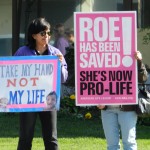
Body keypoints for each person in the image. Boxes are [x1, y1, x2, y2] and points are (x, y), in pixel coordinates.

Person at [14, 17, 68, 150]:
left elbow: (63, 78)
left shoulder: (56, 53)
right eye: (43, 33)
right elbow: (13, 74)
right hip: (28, 100)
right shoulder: (22, 52)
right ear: (34, 35)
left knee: (51, 138)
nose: (47, 36)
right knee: (25, 137)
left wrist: (60, 65)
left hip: (49, 99)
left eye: (48, 33)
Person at [97, 51, 148, 150]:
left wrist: (139, 61)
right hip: (107, 109)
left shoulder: (130, 56)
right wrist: (97, 100)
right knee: (112, 145)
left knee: (129, 142)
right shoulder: (102, 59)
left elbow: (143, 78)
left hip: (127, 108)